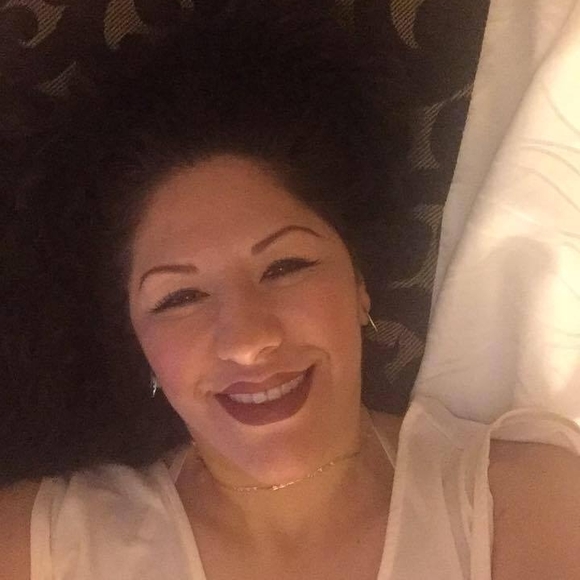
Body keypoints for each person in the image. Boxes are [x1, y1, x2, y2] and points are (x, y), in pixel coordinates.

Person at [2, 2, 580, 579]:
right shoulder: (37, 542)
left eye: (285, 266)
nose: (248, 340)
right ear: (136, 338)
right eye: (180, 298)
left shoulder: (524, 507)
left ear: (359, 282)